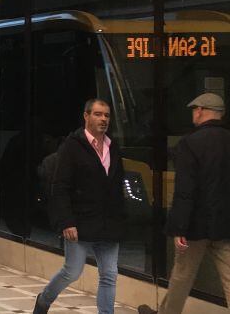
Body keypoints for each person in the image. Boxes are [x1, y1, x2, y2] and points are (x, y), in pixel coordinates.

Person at [138, 93, 230, 314]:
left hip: (195, 226)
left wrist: (179, 227)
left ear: (200, 111)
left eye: (194, 110)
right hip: (225, 223)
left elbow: (185, 191)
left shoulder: (189, 144)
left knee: (182, 277)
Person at [34, 99, 125, 314]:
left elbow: (117, 184)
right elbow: (61, 187)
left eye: (106, 115)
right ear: (86, 116)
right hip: (80, 222)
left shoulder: (113, 147)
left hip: (109, 223)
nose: (103, 119)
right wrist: (66, 221)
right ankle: (44, 300)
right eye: (98, 114)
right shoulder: (72, 147)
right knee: (72, 271)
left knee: (109, 275)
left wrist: (121, 217)